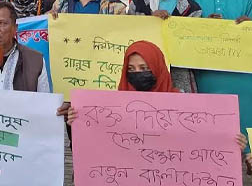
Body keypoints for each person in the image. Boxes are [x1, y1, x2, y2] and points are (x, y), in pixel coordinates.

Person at [66, 40, 248, 156]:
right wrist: (78, 122)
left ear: (158, 68)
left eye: (145, 68)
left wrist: (229, 144)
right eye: (131, 69)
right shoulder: (111, 109)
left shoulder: (184, 105)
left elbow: (202, 144)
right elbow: (96, 146)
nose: (138, 73)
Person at [183, 0, 252, 166]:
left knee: (246, 115)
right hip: (204, 72)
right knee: (206, 118)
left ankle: (249, 158)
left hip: (241, 74)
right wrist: (202, 24)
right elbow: (179, 28)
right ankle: (206, 162)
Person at [127, 0, 201, 92]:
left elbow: (192, 45)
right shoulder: (138, 4)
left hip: (177, 73)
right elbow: (129, 35)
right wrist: (150, 20)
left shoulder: (192, 9)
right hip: (143, 74)